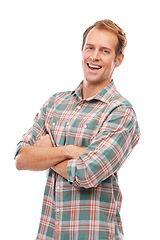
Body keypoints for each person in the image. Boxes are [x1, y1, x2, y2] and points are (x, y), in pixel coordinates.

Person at [15, 19, 140, 240]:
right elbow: (22, 159)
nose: (94, 57)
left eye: (105, 51)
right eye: (90, 48)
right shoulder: (55, 103)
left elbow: (87, 173)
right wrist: (69, 151)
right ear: (82, 51)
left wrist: (48, 152)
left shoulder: (120, 112)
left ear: (118, 59)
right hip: (49, 234)